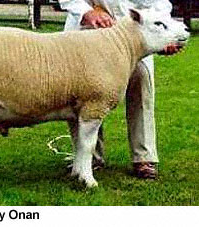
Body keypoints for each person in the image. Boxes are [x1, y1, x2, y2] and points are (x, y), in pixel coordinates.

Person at [59, 0, 182, 179]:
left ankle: (144, 157)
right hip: (87, 37)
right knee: (82, 94)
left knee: (141, 83)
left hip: (135, 38)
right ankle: (89, 158)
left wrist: (165, 33)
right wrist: (86, 11)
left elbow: (160, 4)